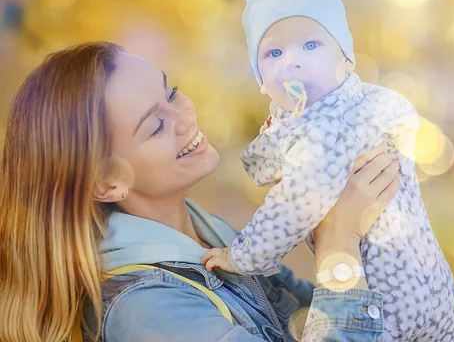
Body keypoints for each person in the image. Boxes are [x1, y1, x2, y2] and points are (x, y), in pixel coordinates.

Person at [0, 41, 403, 342]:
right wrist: (338, 245)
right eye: (155, 125)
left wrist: (324, 213)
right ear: (107, 183)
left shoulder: (212, 239)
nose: (184, 117)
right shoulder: (147, 309)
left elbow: (335, 316)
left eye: (171, 93)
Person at [201, 0, 454, 341]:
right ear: (262, 82)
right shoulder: (366, 105)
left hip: (382, 302)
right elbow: (268, 163)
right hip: (437, 290)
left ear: (347, 59)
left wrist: (241, 257)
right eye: (273, 52)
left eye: (311, 45)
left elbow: (290, 207)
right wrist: (279, 134)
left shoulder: (321, 132)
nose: (293, 60)